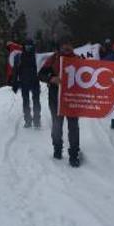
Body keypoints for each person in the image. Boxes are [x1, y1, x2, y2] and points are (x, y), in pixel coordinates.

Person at [38, 38, 81, 167]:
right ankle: (57, 149)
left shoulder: (79, 59)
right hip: (55, 97)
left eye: (69, 44)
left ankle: (73, 155)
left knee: (73, 127)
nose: (67, 47)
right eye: (64, 45)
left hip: (72, 99)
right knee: (57, 125)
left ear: (72, 47)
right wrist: (51, 78)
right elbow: (40, 75)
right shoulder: (53, 59)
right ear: (60, 47)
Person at [11, 39, 41, 128]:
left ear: (32, 46)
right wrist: (14, 83)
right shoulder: (19, 57)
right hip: (24, 83)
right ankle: (28, 121)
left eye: (30, 46)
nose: (28, 47)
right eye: (27, 46)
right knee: (26, 102)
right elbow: (15, 71)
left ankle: (36, 121)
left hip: (35, 82)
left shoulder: (37, 57)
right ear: (24, 46)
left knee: (36, 102)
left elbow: (42, 68)